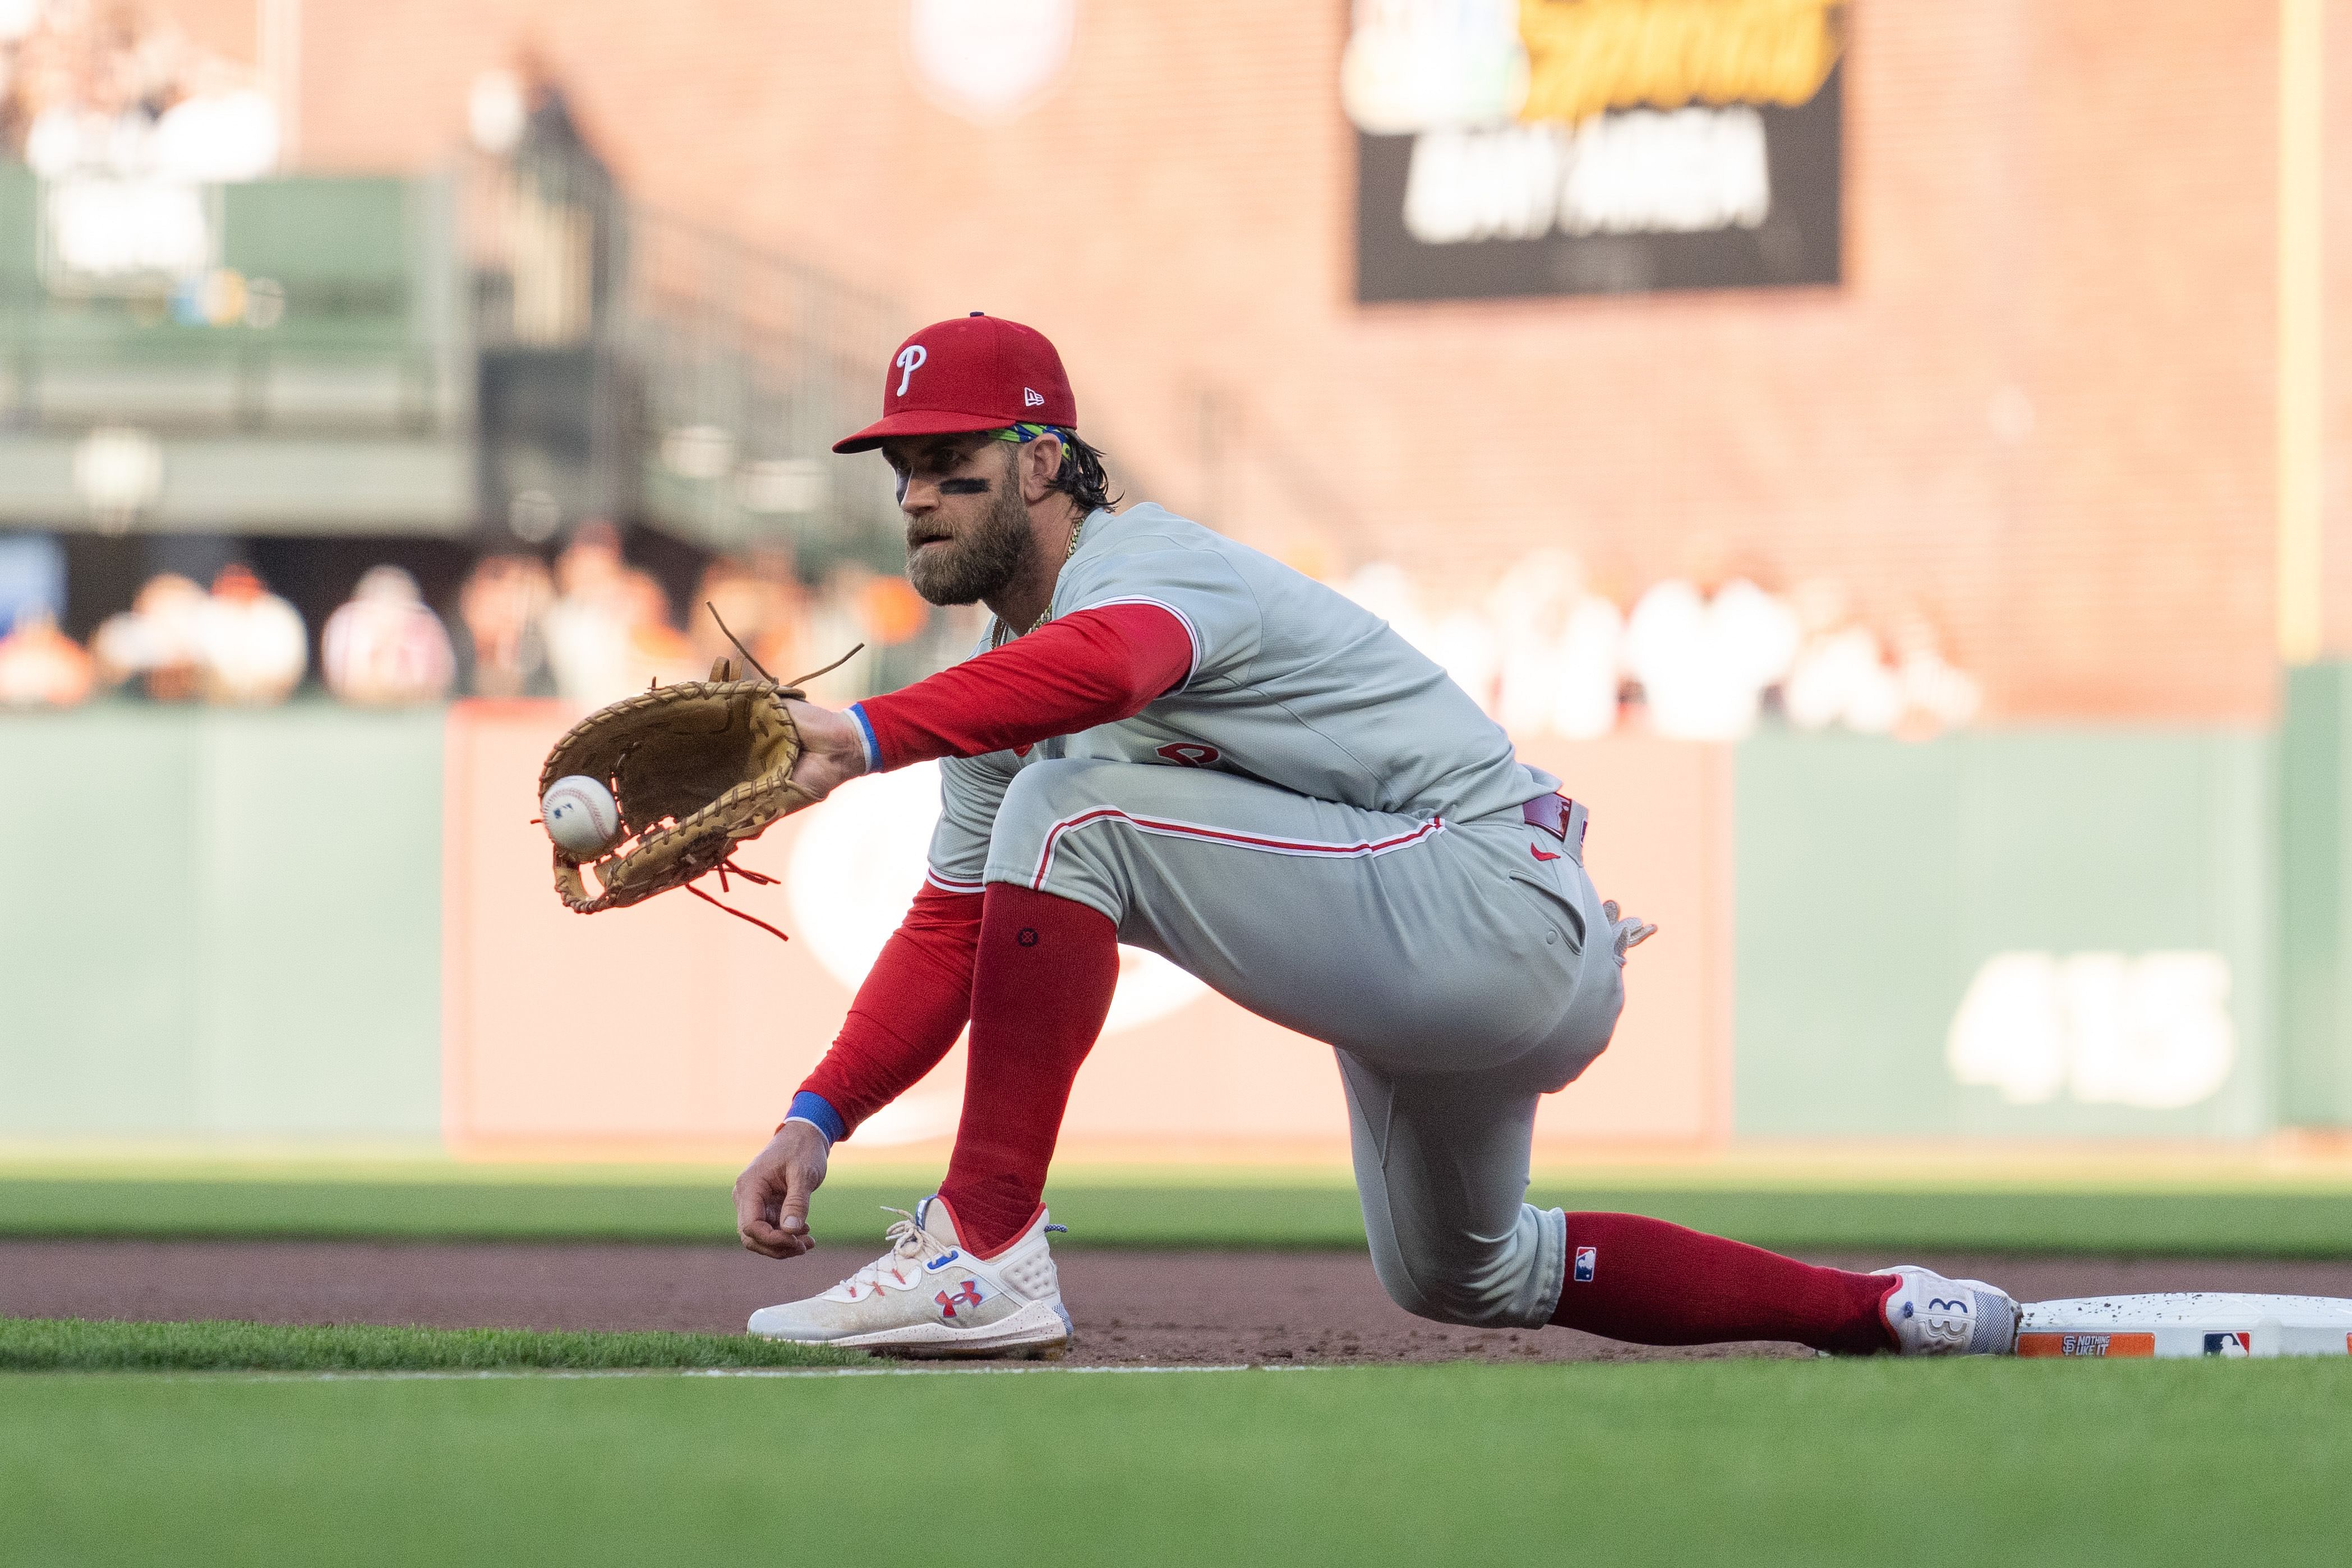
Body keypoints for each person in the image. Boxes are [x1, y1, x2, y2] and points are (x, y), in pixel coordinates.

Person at [730, 314, 2017, 1360]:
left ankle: (984, 1248)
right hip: (1452, 951)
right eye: (899, 468)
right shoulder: (1006, 677)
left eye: (952, 457)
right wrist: (819, 1114)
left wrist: (868, 730)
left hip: (1485, 893)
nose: (916, 495)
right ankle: (1878, 1310)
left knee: (1069, 812)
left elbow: (1118, 670)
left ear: (1045, 462)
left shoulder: (1153, 566)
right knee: (1468, 1271)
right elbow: (959, 920)